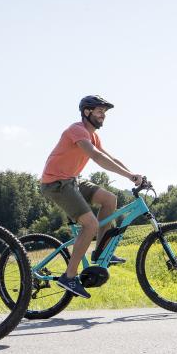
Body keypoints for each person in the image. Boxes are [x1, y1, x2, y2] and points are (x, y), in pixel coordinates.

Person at [39, 95, 144, 299]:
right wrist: (129, 176)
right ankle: (69, 277)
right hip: (55, 183)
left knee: (110, 199)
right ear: (87, 112)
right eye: (99, 111)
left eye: (104, 112)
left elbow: (109, 157)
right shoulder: (76, 130)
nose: (103, 115)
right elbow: (96, 157)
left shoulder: (93, 136)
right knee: (90, 225)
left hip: (72, 181)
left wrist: (133, 175)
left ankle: (101, 251)